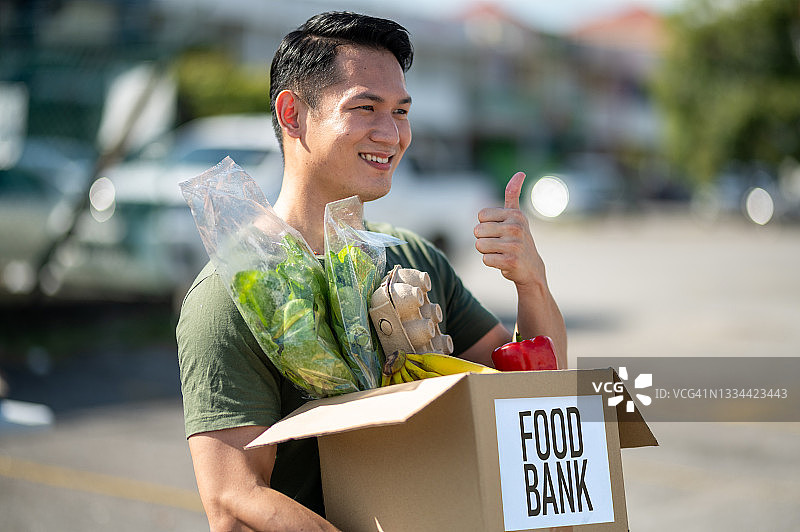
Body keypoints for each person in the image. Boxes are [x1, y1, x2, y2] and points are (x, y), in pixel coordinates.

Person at [177, 11, 567, 531]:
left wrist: (531, 283)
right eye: (365, 108)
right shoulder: (234, 295)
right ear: (292, 114)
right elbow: (234, 500)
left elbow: (538, 406)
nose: (392, 134)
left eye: (401, 112)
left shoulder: (412, 260)